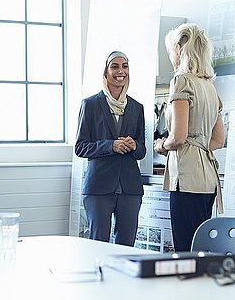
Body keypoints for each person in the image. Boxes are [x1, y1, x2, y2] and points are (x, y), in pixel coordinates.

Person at [153, 23, 225, 251]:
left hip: (186, 177)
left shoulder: (182, 81)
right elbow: (217, 140)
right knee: (200, 249)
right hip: (208, 178)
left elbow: (179, 137)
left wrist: (160, 145)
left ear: (178, 48)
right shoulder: (209, 86)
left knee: (185, 250)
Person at [75, 51, 146, 246]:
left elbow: (142, 151)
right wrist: (110, 145)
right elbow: (80, 148)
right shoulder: (90, 105)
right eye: (115, 66)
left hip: (130, 188)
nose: (120, 71)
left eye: (125, 66)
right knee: (98, 245)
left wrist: (134, 146)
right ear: (105, 72)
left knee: (127, 247)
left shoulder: (137, 107)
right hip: (99, 188)